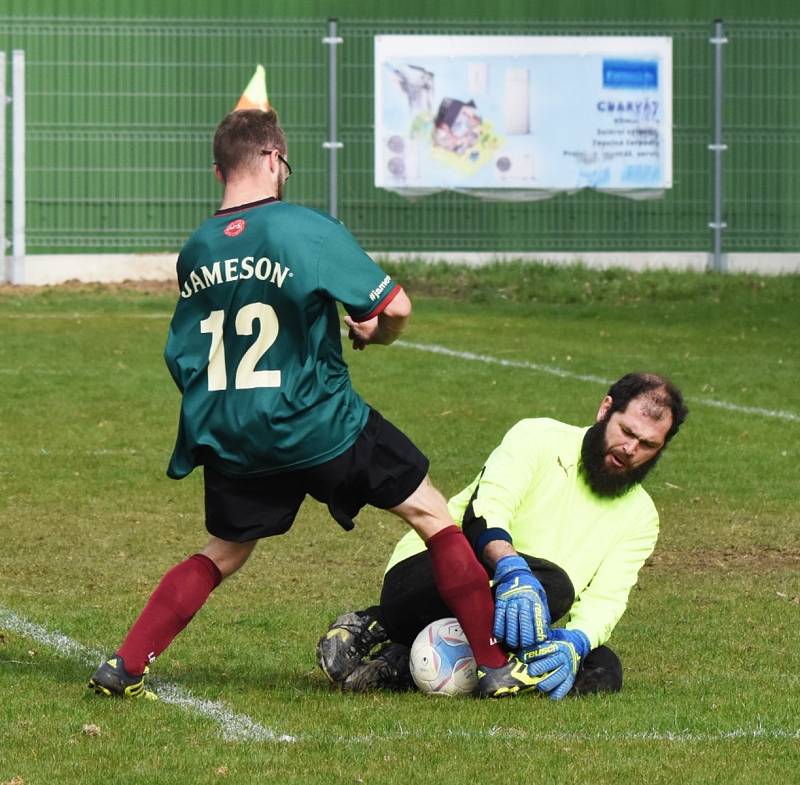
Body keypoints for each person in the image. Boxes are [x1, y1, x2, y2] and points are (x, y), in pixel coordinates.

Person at [88, 108, 542, 701]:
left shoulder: (195, 249)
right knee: (432, 515)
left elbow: (186, 354)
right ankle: (497, 668)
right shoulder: (308, 229)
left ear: (218, 169)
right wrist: (374, 333)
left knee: (222, 553)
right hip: (321, 424)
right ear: (276, 160)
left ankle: (124, 667)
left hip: (237, 433)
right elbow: (395, 308)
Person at [317, 372, 688, 698]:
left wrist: (577, 642)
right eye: (626, 432)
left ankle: (402, 664)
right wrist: (512, 569)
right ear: (605, 410)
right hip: (430, 576)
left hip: (521, 612)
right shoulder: (538, 436)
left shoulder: (642, 516)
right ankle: (379, 622)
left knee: (604, 668)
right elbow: (485, 512)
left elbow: (607, 598)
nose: (630, 449)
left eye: (648, 445)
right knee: (554, 585)